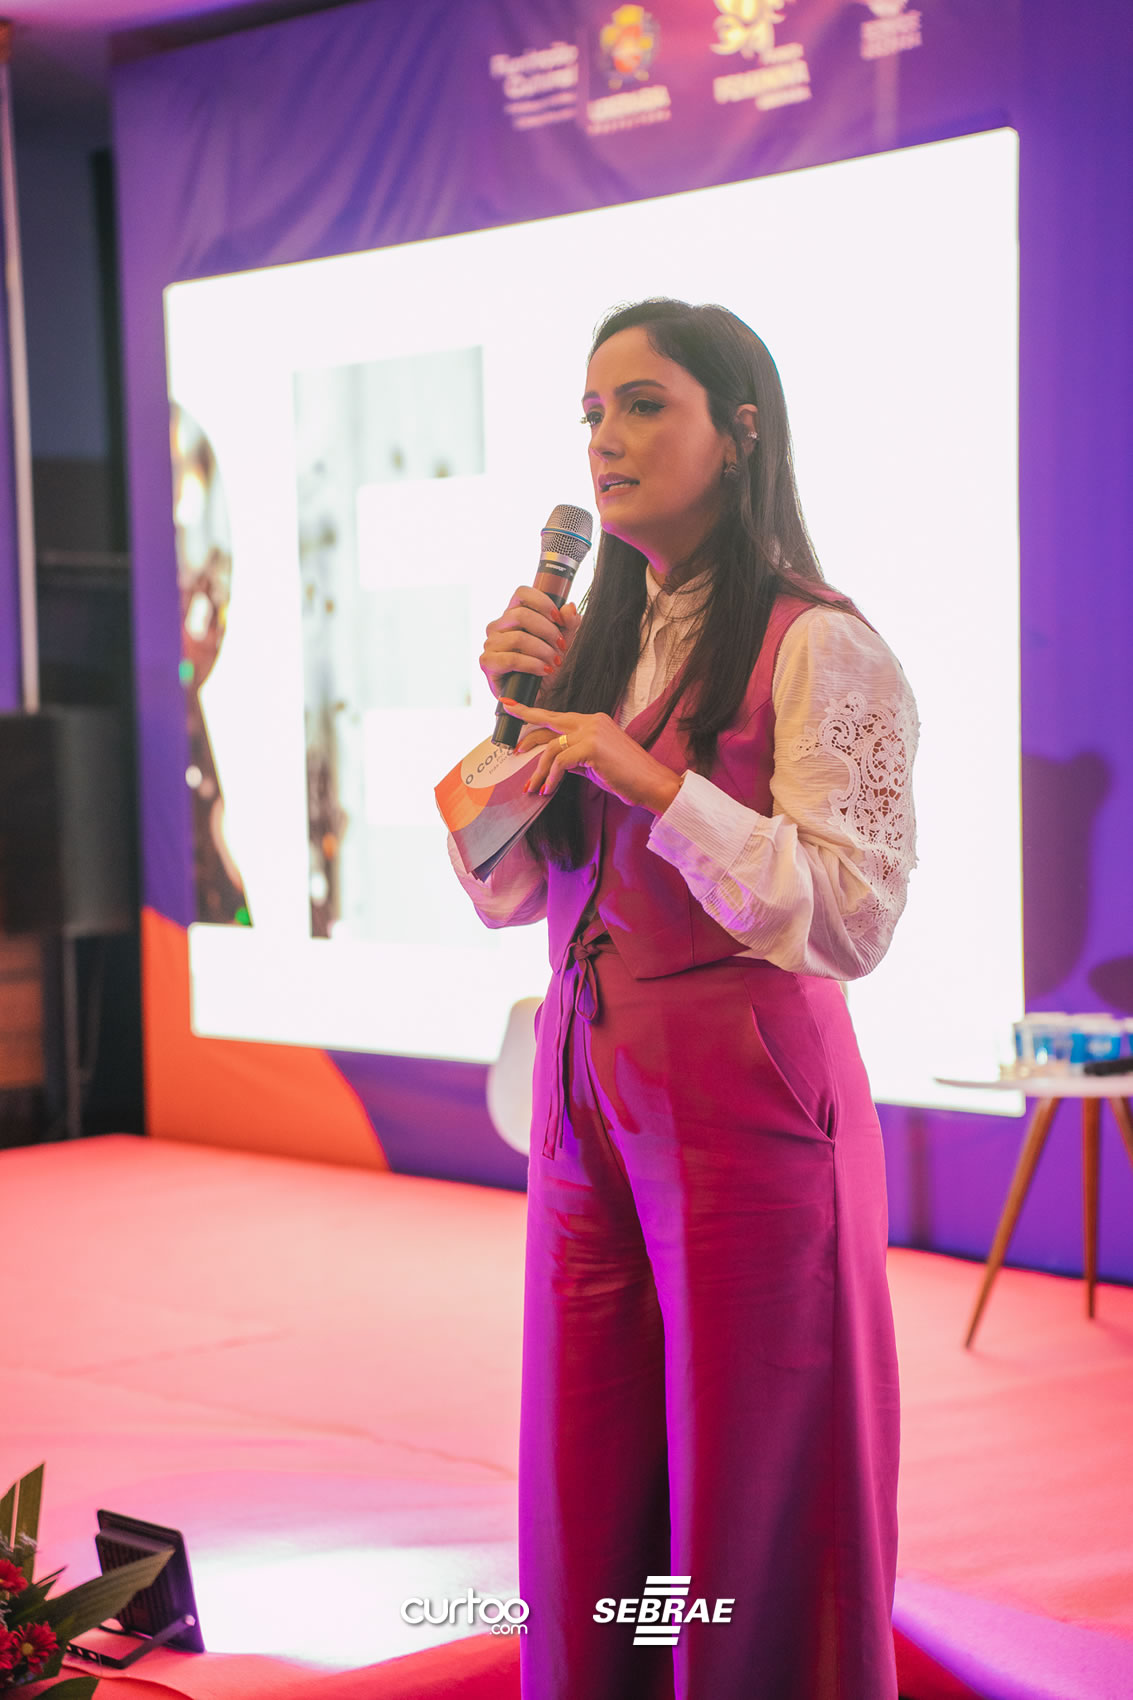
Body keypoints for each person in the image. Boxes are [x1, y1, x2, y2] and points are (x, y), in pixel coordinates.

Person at [446, 298, 919, 1700]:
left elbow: (851, 915)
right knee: (590, 1478)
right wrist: (506, 718)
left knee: (750, 1484)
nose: (607, 438)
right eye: (592, 413)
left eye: (645, 404)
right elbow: (508, 892)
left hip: (747, 1103)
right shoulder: (593, 646)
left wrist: (655, 783)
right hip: (585, 1095)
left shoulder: (818, 642)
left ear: (740, 431)